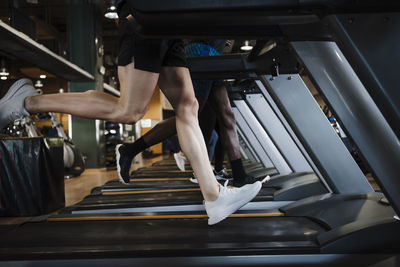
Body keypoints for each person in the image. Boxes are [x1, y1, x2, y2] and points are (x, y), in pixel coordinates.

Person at [0, 0, 262, 225]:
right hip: (147, 17)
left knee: (188, 105)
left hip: (172, 25)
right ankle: (30, 102)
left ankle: (214, 198)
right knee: (129, 111)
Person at [117, 39, 257, 187]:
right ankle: (129, 150)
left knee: (226, 115)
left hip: (215, 58)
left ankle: (239, 175)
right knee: (189, 115)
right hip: (201, 51)